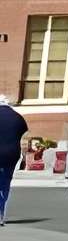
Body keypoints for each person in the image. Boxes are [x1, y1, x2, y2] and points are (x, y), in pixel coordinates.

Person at [0, 96, 24, 225]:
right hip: (12, 154)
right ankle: (1, 212)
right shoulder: (17, 117)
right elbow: (22, 132)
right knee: (5, 182)